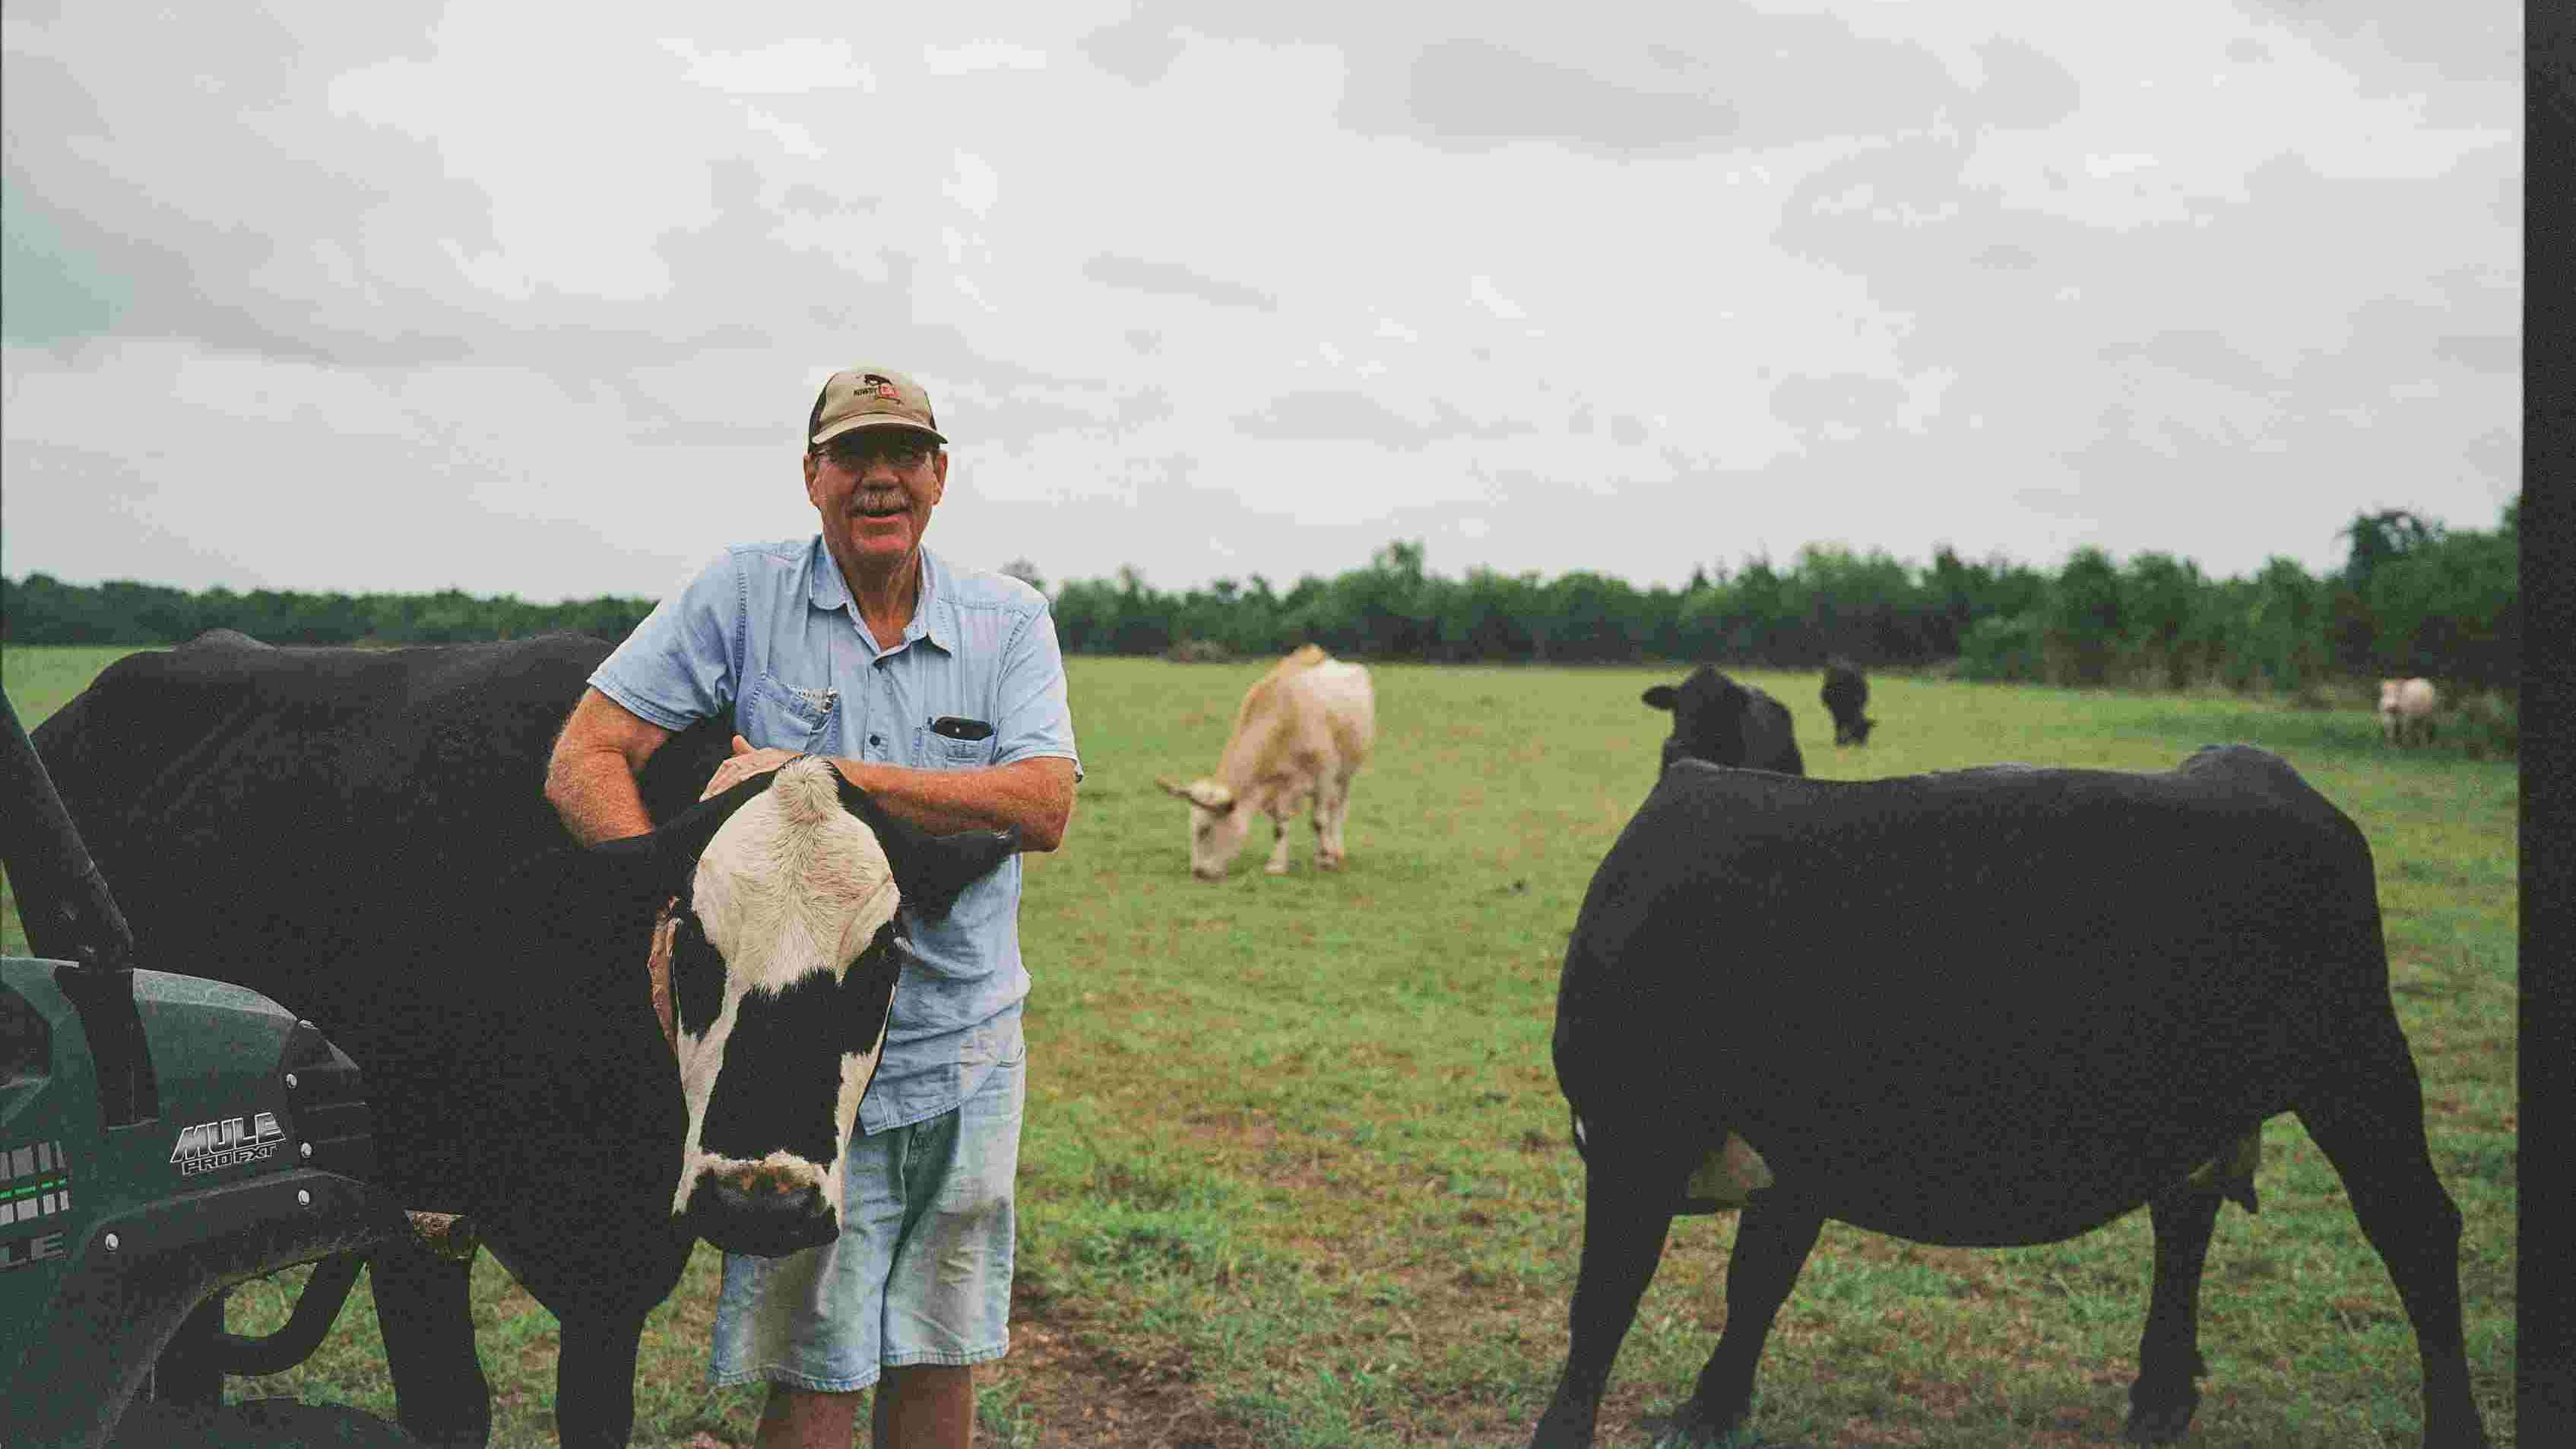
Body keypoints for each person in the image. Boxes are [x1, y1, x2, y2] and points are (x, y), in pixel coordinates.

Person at [543, 365, 1079, 1449]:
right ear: (810, 476)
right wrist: (675, 894)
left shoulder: (1008, 619)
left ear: (939, 474)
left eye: (900, 455)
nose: (876, 479)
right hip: (795, 1055)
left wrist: (819, 777)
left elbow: (1042, 800)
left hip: (964, 1046)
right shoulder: (744, 591)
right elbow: (583, 756)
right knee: (816, 1356)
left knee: (942, 1342)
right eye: (849, 456)